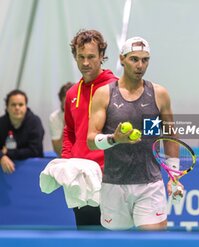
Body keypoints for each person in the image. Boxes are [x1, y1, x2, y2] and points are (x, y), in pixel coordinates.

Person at [87, 36, 183, 230]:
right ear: (122, 59)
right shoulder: (104, 94)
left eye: (145, 60)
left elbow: (170, 136)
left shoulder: (159, 94)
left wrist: (174, 177)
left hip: (150, 185)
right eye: (134, 59)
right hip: (113, 186)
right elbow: (91, 140)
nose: (140, 65)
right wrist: (115, 139)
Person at [62, 29, 118, 229]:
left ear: (102, 56)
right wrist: (67, 163)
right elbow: (69, 131)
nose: (85, 63)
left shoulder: (116, 89)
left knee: (112, 236)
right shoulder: (71, 94)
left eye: (91, 57)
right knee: (85, 234)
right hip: (80, 177)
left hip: (110, 177)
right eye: (81, 57)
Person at [0, 89, 44, 174]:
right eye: (13, 105)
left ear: (26, 106)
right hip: (5, 172)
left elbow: (35, 150)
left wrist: (8, 153)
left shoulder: (35, 122)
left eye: (21, 104)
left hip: (33, 170)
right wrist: (1, 156)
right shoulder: (1, 123)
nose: (17, 108)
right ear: (7, 107)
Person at [49, 82, 74, 157]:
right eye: (67, 103)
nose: (70, 107)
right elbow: (58, 151)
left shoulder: (88, 114)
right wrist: (67, 123)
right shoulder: (55, 117)